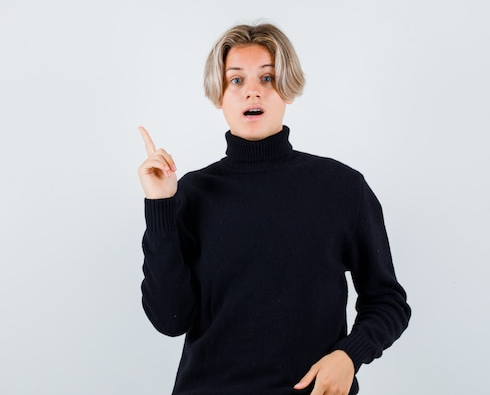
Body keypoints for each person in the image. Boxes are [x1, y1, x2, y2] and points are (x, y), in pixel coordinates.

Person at [137, 22, 411, 395]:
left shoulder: (341, 187)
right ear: (219, 94)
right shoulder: (192, 194)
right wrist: (160, 205)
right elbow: (170, 319)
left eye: (267, 78)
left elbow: (387, 301)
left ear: (288, 89)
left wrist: (349, 356)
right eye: (236, 81)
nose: (252, 91)